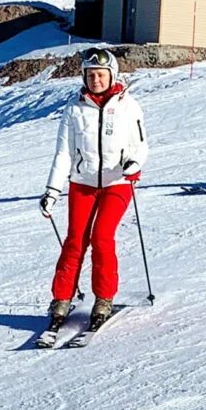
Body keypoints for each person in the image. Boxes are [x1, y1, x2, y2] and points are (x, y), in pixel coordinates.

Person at [35, 48, 146, 345]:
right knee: (74, 241)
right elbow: (63, 154)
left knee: (102, 237)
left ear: (112, 75)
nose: (95, 80)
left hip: (117, 183)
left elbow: (140, 146)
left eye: (101, 74)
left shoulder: (129, 107)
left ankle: (103, 299)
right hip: (82, 183)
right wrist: (52, 191)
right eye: (90, 75)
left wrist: (134, 164)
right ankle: (61, 300)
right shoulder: (73, 110)